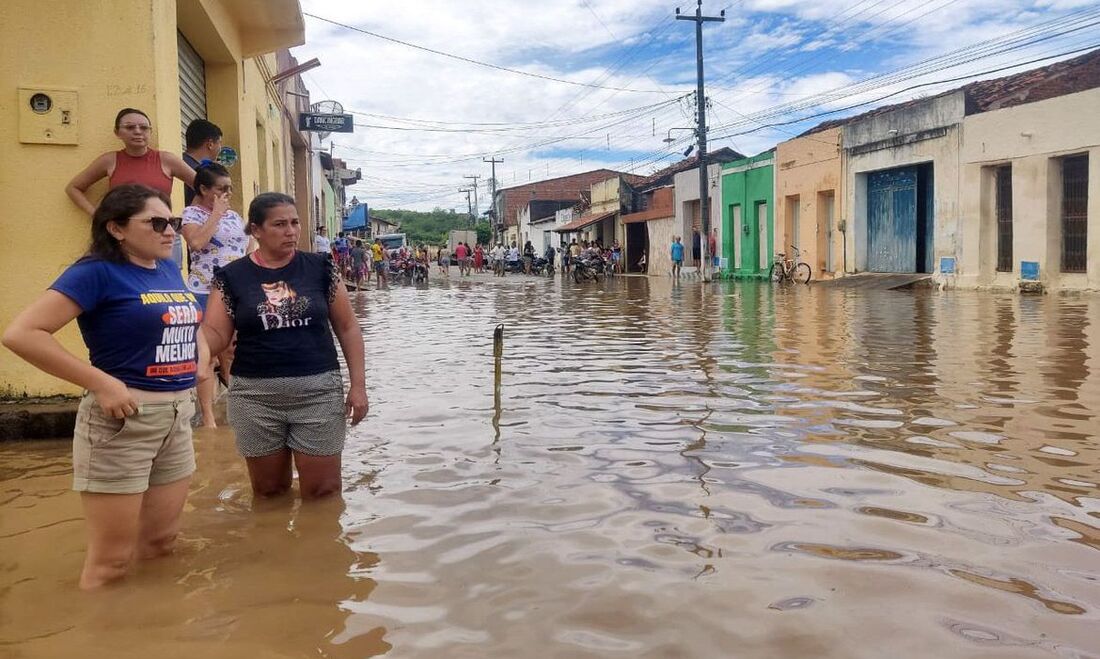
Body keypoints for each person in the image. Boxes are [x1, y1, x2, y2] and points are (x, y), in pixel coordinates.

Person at [2, 184, 208, 589]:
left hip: (177, 418)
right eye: (157, 223)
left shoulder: (167, 266)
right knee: (111, 563)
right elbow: (22, 334)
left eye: (173, 222)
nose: (170, 231)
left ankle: (155, 623)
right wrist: (100, 382)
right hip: (122, 423)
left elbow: (187, 315)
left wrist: (201, 354)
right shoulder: (95, 272)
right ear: (116, 228)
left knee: (161, 545)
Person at [201, 192, 368, 500]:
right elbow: (215, 333)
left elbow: (348, 327)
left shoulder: (321, 268)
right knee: (269, 492)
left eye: (295, 223)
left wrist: (358, 386)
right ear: (256, 230)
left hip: (318, 393)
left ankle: (319, 534)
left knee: (324, 492)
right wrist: (194, 347)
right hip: (255, 397)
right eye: (279, 224)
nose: (291, 231)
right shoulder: (231, 277)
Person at [66, 108, 196, 265]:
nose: (138, 132)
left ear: (150, 131)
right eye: (130, 127)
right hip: (125, 238)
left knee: (167, 279)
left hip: (163, 234)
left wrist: (193, 218)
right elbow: (73, 188)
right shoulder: (109, 161)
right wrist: (97, 215)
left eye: (144, 128)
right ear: (117, 132)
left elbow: (204, 187)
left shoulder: (167, 160)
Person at [180, 162, 248, 428]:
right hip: (204, 291)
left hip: (235, 291)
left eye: (229, 188)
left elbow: (247, 244)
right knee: (205, 353)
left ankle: (239, 406)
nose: (227, 194)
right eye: (221, 189)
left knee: (232, 350)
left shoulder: (234, 216)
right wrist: (216, 214)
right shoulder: (192, 214)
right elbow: (196, 243)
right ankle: (208, 418)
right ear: (203, 189)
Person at [182, 119, 223, 206]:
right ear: (210, 144)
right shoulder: (202, 173)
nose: (220, 148)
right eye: (219, 143)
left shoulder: (178, 163)